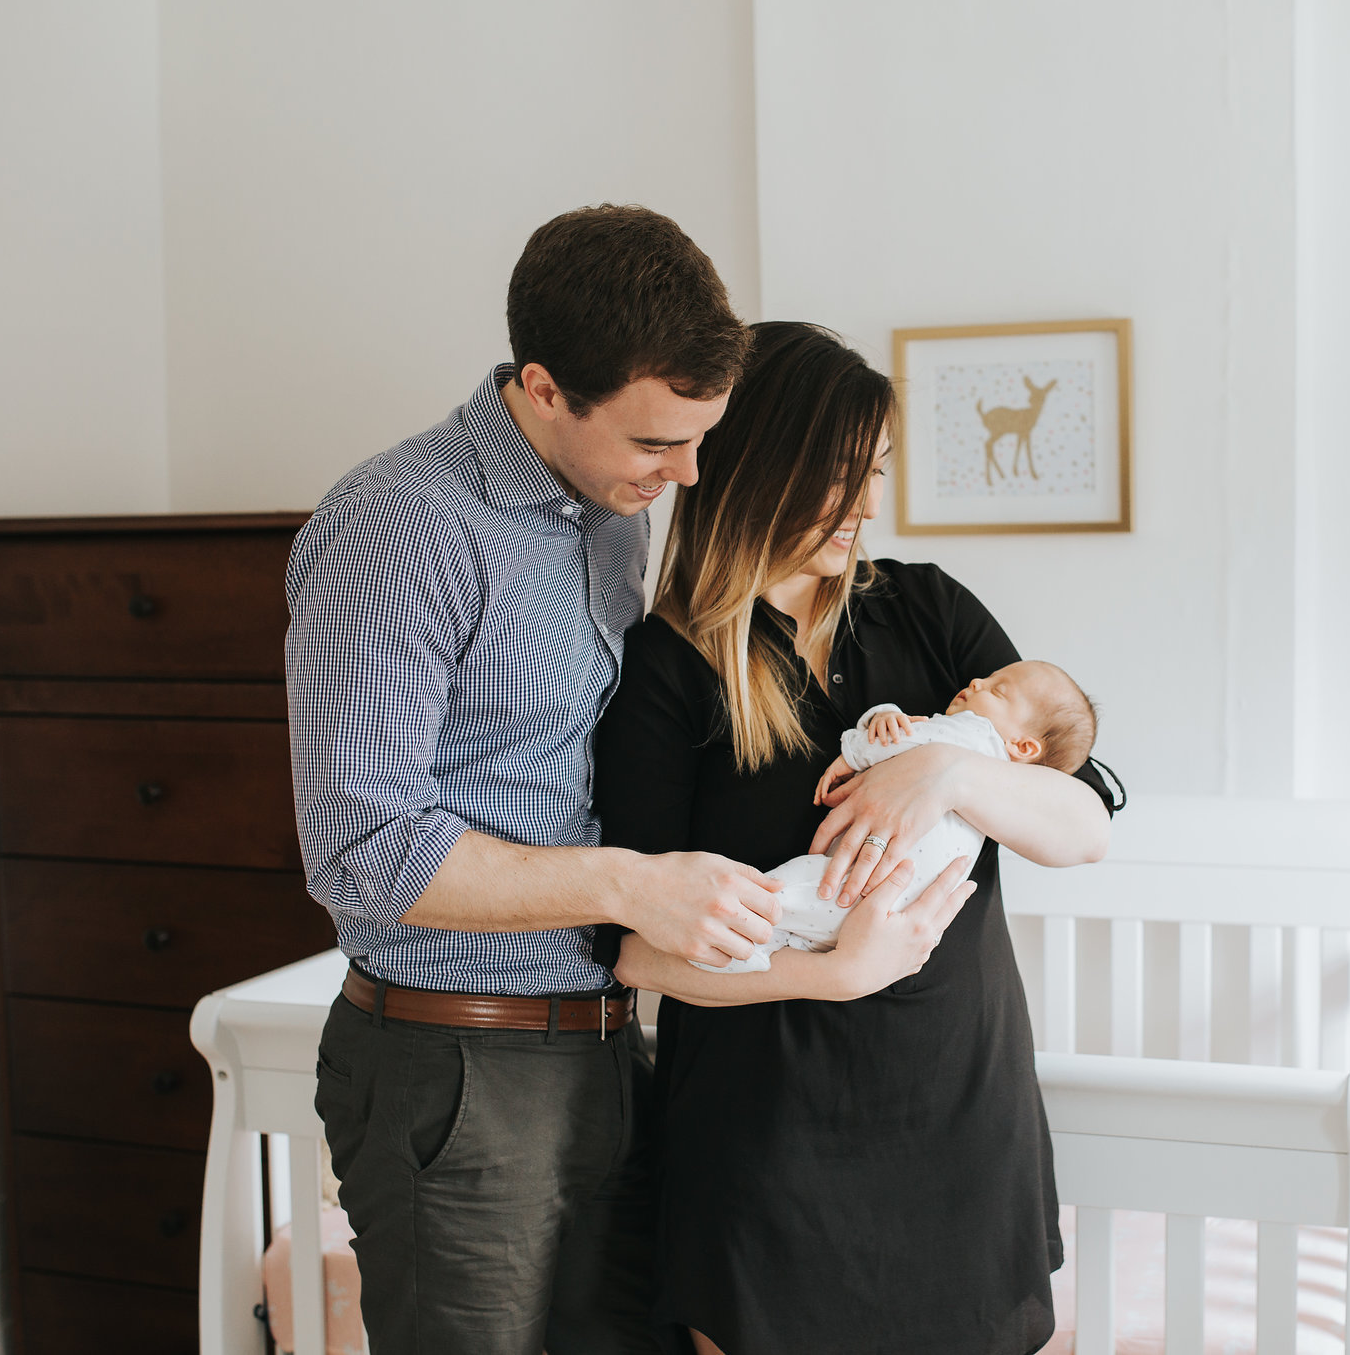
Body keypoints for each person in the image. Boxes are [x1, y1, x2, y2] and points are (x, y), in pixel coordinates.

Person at [286, 205, 792, 1355]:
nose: (685, 474)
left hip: (603, 1048)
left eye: (697, 439)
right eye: (657, 443)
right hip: (457, 1063)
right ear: (545, 387)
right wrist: (630, 884)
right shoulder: (401, 524)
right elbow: (364, 849)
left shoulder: (607, 517)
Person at [596, 321, 1116, 1355]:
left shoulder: (927, 614)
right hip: (767, 1139)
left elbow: (1081, 827)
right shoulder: (668, 669)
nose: (868, 503)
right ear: (758, 466)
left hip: (962, 1108)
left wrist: (950, 772)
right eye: (841, 475)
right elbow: (639, 950)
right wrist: (829, 976)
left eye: (874, 473)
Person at [693, 660, 1099, 974]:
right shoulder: (1007, 788)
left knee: (784, 889)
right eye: (986, 678)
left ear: (1024, 746)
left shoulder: (972, 734)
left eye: (998, 690)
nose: (976, 683)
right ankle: (754, 949)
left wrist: (864, 736)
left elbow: (890, 744)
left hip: (859, 885)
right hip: (896, 911)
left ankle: (732, 939)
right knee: (802, 922)